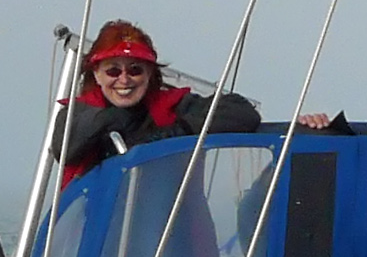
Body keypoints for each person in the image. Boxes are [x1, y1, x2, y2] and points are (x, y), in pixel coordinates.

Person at [61, 20, 329, 180]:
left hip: (169, 235)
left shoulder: (173, 106)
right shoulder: (78, 115)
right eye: (112, 71)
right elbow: (66, 148)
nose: (124, 79)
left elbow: (241, 113)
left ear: (150, 74)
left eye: (135, 70)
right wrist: (113, 122)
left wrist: (174, 133)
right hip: (98, 234)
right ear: (96, 74)